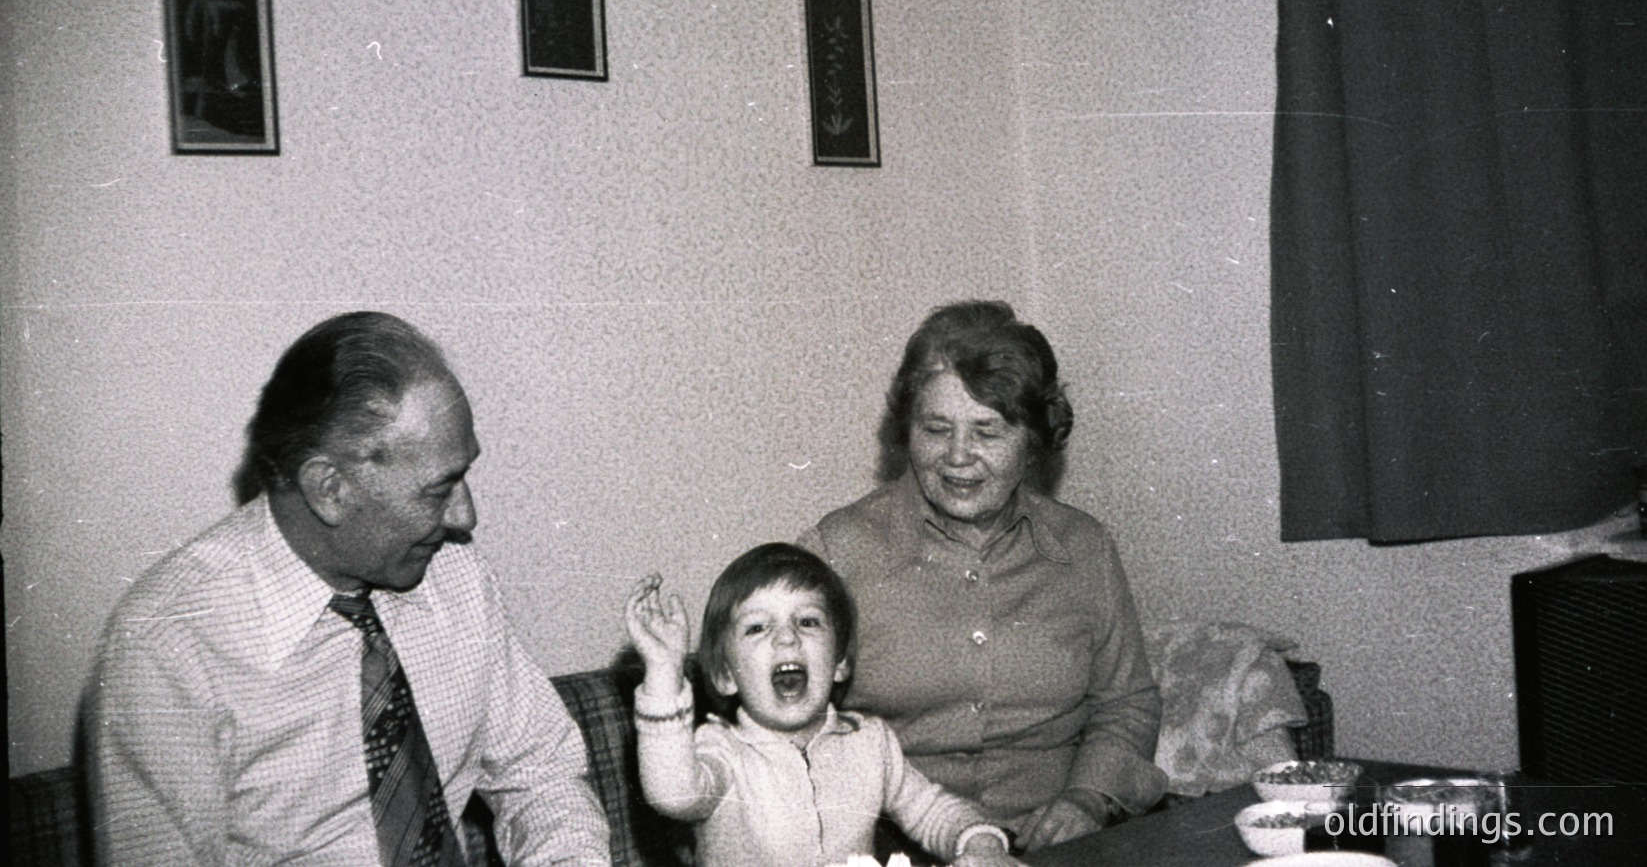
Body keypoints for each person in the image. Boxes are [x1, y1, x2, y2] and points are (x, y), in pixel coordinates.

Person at [85, 311, 611, 867]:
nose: (466, 516)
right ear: (329, 489)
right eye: (438, 490)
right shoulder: (167, 644)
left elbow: (541, 772)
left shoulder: (453, 573)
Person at [799, 300, 1167, 853]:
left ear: (1034, 440)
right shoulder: (838, 551)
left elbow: (1126, 703)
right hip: (895, 848)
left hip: (1054, 844)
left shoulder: (1083, 548)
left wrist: (1086, 799)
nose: (958, 457)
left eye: (987, 432)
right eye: (936, 428)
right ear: (906, 431)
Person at [623, 543, 1025, 867]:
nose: (787, 639)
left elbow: (934, 811)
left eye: (808, 621)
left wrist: (983, 842)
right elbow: (672, 794)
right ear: (726, 676)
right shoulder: (722, 751)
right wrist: (662, 672)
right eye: (758, 627)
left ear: (840, 663)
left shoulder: (870, 742)